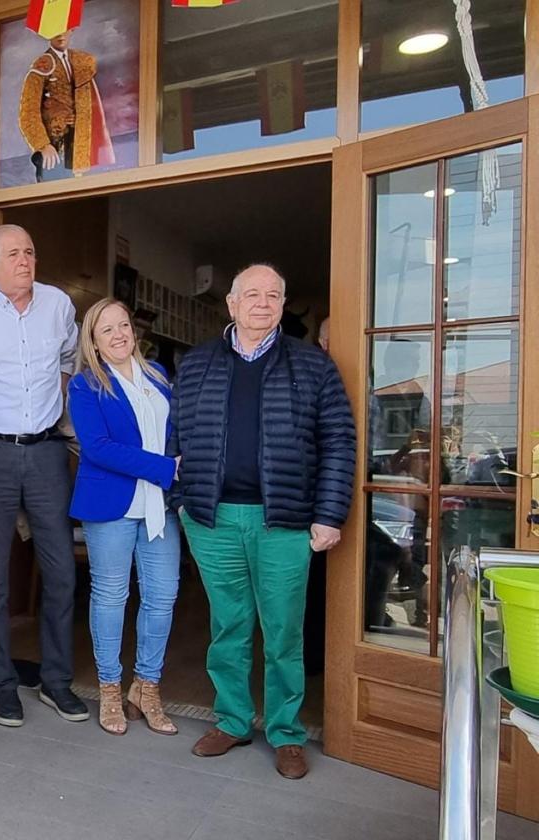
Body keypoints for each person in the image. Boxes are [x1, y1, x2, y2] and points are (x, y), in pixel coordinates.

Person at [169, 264, 355, 780]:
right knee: (227, 625)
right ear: (230, 303)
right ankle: (231, 720)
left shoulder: (312, 365)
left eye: (273, 295)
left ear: (283, 303)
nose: (262, 303)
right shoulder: (199, 362)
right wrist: (183, 499)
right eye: (251, 294)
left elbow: (339, 441)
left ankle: (286, 732)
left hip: (286, 522)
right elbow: (176, 434)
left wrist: (329, 513)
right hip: (214, 519)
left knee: (283, 632)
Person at [0, 224, 88, 727]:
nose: (25, 260)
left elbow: (71, 362)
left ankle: (56, 682)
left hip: (47, 452)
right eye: (13, 254)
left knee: (62, 571)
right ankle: (1, 682)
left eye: (30, 251)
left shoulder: (58, 305)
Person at [67, 298, 180, 737]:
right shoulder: (85, 385)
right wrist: (165, 468)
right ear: (93, 342)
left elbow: (173, 433)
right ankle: (110, 688)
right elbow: (97, 448)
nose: (118, 335)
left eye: (123, 325)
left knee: (162, 597)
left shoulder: (158, 376)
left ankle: (146, 688)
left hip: (159, 508)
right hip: (111, 506)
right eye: (106, 330)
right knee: (111, 597)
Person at [18, 28, 114, 182]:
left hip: (78, 138)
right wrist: (44, 145)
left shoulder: (80, 60)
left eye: (65, 29)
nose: (60, 35)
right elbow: (28, 112)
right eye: (55, 30)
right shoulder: (42, 64)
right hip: (55, 142)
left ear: (72, 30)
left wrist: (80, 118)